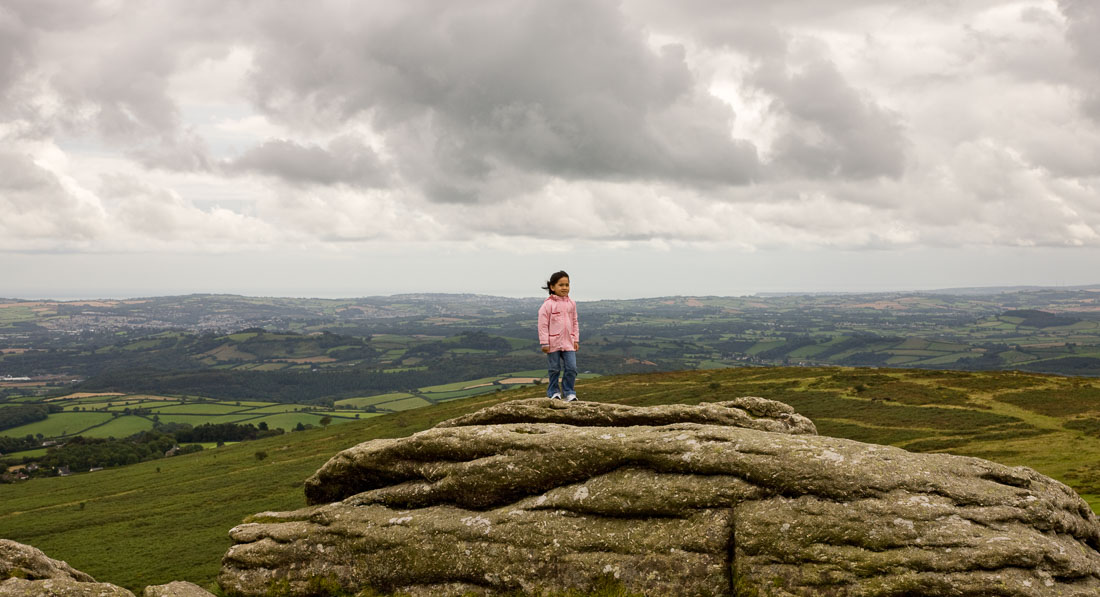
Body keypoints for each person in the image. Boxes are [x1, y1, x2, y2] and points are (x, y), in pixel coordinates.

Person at [538, 270, 579, 401]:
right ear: (552, 287)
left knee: (572, 368)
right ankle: (553, 392)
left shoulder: (571, 304)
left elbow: (575, 322)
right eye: (561, 285)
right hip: (553, 343)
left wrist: (576, 339)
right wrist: (544, 343)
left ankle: (569, 392)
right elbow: (543, 325)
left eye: (567, 285)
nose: (565, 288)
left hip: (568, 342)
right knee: (554, 369)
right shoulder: (547, 305)